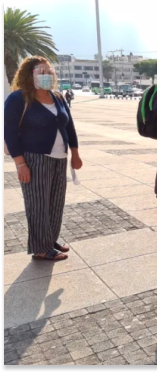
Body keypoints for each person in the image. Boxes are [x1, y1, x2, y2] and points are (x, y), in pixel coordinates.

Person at [5, 56, 83, 261]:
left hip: (60, 158)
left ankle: (50, 240)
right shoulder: (18, 98)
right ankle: (40, 248)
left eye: (50, 71)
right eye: (41, 71)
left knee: (56, 202)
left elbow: (69, 127)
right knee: (38, 204)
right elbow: (10, 134)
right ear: (29, 74)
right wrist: (20, 164)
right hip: (34, 159)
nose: (47, 75)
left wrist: (75, 154)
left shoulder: (57, 96)